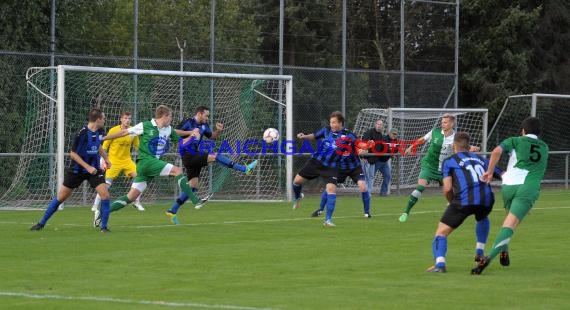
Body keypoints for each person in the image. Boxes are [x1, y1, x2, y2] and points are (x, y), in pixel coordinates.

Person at [96, 105, 203, 225]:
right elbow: (124, 132)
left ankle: (103, 213)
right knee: (177, 170)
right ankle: (195, 200)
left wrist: (192, 137)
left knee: (131, 197)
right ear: (164, 116)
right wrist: (104, 137)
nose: (171, 119)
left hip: (147, 167)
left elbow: (182, 143)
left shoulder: (169, 129)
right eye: (170, 116)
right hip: (146, 161)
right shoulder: (145, 125)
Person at [471, 117, 549, 275]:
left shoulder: (515, 140)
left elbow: (496, 151)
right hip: (528, 187)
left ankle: (504, 251)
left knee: (507, 220)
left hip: (508, 185)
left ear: (523, 131)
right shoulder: (545, 147)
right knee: (510, 225)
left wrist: (490, 171)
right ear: (539, 133)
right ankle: (488, 258)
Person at [164, 105, 258, 224]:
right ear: (199, 114)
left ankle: (172, 210)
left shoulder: (204, 126)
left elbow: (212, 137)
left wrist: (218, 130)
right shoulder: (188, 122)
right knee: (216, 156)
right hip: (188, 155)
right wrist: (191, 132)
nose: (208, 118)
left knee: (192, 187)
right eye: (206, 115)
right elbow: (175, 131)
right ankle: (244, 169)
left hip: (194, 156)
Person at [426, 132, 500, 273]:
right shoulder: (482, 159)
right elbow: (502, 173)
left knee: (441, 233)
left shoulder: (449, 161)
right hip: (486, 199)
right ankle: (479, 250)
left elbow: (447, 188)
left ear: (454, 145)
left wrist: (451, 202)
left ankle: (440, 264)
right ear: (469, 146)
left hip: (463, 200)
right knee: (482, 217)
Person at [30, 108, 112, 232]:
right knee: (61, 197)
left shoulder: (100, 130)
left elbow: (98, 145)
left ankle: (104, 228)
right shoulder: (81, 133)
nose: (105, 120)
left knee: (105, 196)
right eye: (104, 118)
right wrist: (87, 167)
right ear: (98, 119)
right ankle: (41, 224)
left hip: (94, 170)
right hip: (77, 170)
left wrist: (106, 158)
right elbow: (73, 154)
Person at [399, 113, 478, 223]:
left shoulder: (456, 137)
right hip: (429, 165)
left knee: (450, 193)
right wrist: (411, 147)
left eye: (445, 122)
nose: (443, 124)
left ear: (452, 123)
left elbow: (462, 148)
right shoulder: (435, 132)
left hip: (444, 169)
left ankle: (453, 213)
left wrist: (471, 148)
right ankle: (405, 212)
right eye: (442, 122)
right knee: (420, 188)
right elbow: (422, 139)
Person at [292, 111, 356, 227]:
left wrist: (367, 147)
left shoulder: (349, 135)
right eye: (331, 122)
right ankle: (297, 197)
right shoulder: (326, 130)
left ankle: (328, 220)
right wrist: (304, 136)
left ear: (340, 123)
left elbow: (359, 145)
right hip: (316, 162)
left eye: (334, 122)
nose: (332, 125)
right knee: (296, 182)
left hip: (331, 166)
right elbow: (314, 136)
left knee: (331, 190)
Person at [91, 111, 144, 225]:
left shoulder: (132, 132)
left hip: (127, 161)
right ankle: (95, 206)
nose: (128, 120)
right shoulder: (114, 130)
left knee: (140, 177)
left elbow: (138, 147)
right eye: (125, 118)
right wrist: (103, 160)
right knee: (105, 185)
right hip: (114, 161)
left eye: (129, 118)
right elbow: (104, 146)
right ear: (121, 119)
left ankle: (136, 201)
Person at [310, 147, 371, 218]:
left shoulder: (353, 139)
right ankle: (320, 209)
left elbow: (362, 151)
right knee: (330, 187)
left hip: (355, 168)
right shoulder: (336, 141)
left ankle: (367, 213)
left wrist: (366, 149)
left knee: (363, 187)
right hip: (341, 169)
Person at [362, 119, 398, 196]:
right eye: (378, 124)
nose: (379, 126)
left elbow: (384, 147)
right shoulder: (373, 133)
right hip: (371, 159)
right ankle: (364, 192)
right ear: (375, 124)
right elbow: (364, 142)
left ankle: (373, 193)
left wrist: (391, 152)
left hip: (377, 160)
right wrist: (367, 149)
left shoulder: (381, 136)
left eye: (381, 125)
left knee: (373, 177)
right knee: (367, 176)